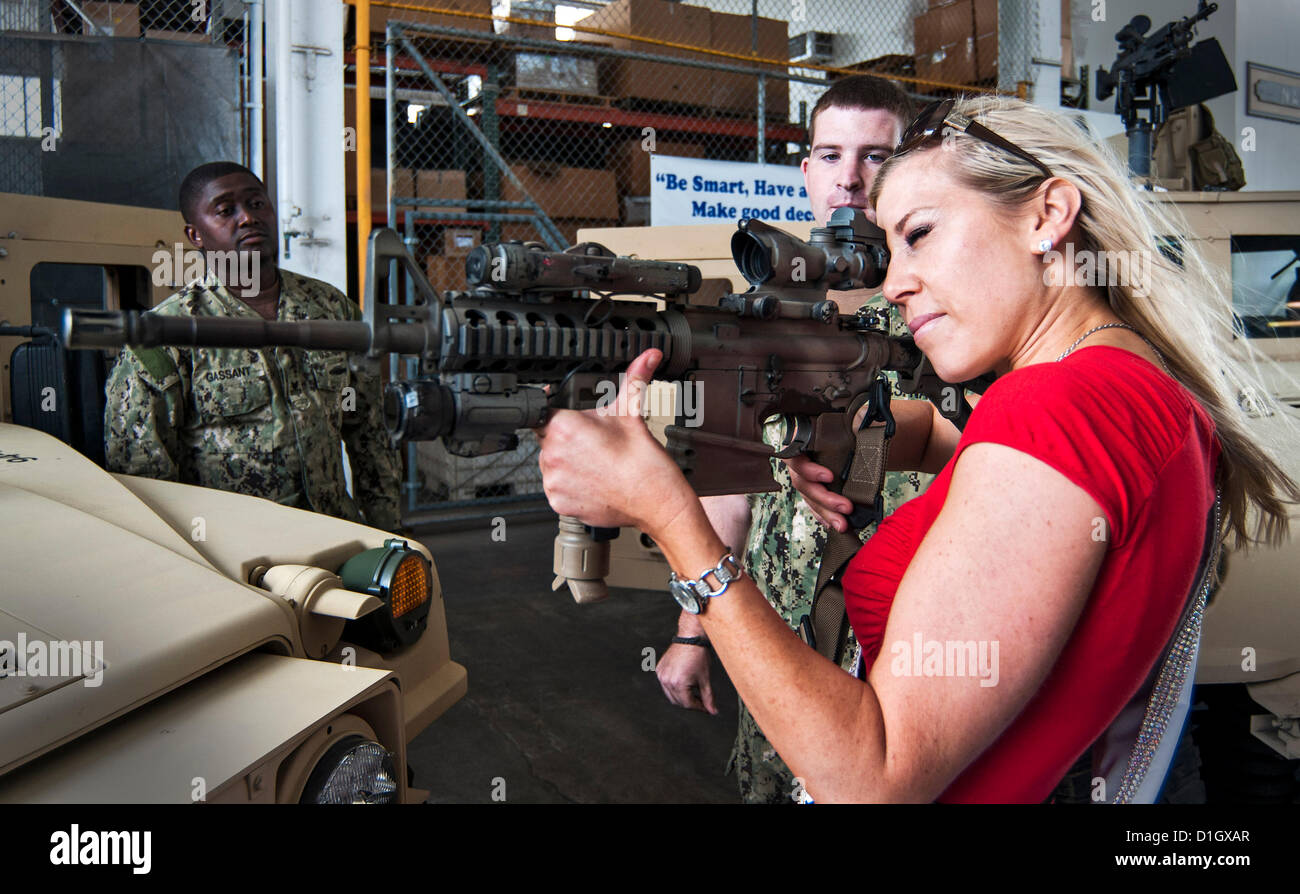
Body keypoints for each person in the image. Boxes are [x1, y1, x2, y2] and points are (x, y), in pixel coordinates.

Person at [539, 96, 1299, 802]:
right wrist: (858, 436)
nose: (895, 281)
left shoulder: (1056, 406)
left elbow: (875, 775)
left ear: (1048, 216)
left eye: (920, 234)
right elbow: (991, 467)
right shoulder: (1129, 383)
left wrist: (670, 518)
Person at [653, 75, 935, 804]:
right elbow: (729, 484)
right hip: (778, 642)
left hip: (913, 653)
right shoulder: (765, 313)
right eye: (830, 154)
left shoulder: (950, 312)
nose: (850, 179)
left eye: (877, 156)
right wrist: (692, 631)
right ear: (805, 172)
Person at [104, 162, 402, 530]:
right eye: (226, 210)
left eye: (257, 204)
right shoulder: (167, 335)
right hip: (233, 553)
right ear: (195, 235)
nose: (248, 218)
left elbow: (369, 435)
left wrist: (390, 536)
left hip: (333, 533)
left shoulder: (332, 310)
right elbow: (143, 477)